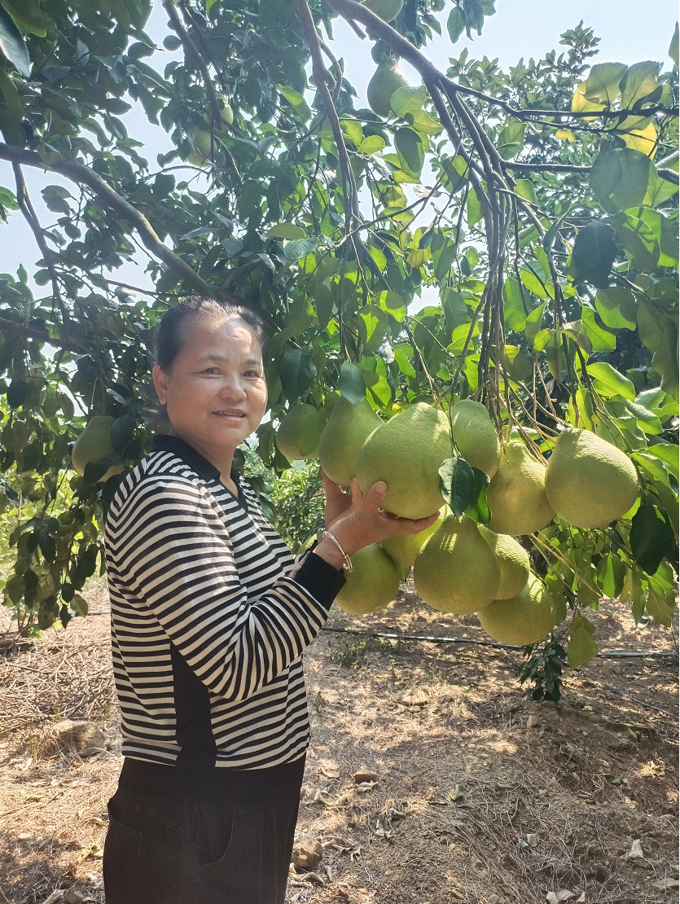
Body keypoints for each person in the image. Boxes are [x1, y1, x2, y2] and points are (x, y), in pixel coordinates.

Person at [102, 295, 437, 904]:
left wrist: (333, 535)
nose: (235, 388)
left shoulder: (232, 493)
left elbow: (270, 615)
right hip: (195, 814)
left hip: (242, 798)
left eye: (250, 372)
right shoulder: (168, 496)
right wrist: (337, 546)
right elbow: (237, 664)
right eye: (211, 370)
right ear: (162, 381)